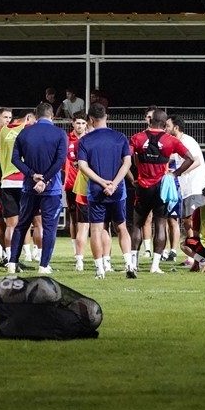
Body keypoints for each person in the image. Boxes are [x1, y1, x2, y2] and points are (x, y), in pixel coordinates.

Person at [130, 108, 194, 274]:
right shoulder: (170, 140)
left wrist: (133, 176)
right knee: (160, 225)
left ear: (150, 121)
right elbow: (190, 158)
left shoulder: (137, 137)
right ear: (165, 124)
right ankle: (155, 266)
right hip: (161, 188)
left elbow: (127, 158)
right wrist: (174, 174)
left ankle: (132, 264)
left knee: (138, 224)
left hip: (143, 186)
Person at [75, 103, 135, 279]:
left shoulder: (85, 140)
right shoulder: (120, 137)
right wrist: (114, 183)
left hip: (95, 190)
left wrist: (102, 183)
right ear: (106, 117)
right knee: (121, 227)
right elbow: (127, 163)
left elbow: (82, 166)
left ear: (90, 120)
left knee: (96, 229)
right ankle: (129, 264)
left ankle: (100, 269)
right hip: (118, 190)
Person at [9, 101, 68, 274]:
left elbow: (15, 159)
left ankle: (12, 262)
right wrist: (46, 180)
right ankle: (43, 265)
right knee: (49, 227)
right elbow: (60, 161)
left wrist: (31, 175)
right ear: (52, 116)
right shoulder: (59, 134)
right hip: (51, 189)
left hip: (29, 187)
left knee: (22, 225)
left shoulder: (24, 133)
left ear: (35, 115)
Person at [166, 114, 205, 265]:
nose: (166, 129)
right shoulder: (177, 143)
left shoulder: (187, 141)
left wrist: (177, 173)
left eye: (168, 126)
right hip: (186, 190)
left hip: (195, 187)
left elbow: (196, 161)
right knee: (187, 222)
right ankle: (194, 257)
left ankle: (200, 257)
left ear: (175, 128)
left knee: (192, 222)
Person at [0, 108, 31, 267]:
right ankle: (26, 255)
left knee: (10, 224)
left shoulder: (2, 131)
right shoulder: (26, 130)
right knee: (25, 222)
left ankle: (11, 260)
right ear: (28, 118)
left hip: (6, 182)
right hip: (22, 180)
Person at [63, 111, 90, 271]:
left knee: (90, 222)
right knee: (74, 219)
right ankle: (77, 252)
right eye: (77, 123)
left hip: (87, 186)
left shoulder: (90, 139)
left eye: (82, 123)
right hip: (71, 185)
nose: (80, 126)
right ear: (72, 123)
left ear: (87, 124)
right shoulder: (66, 139)